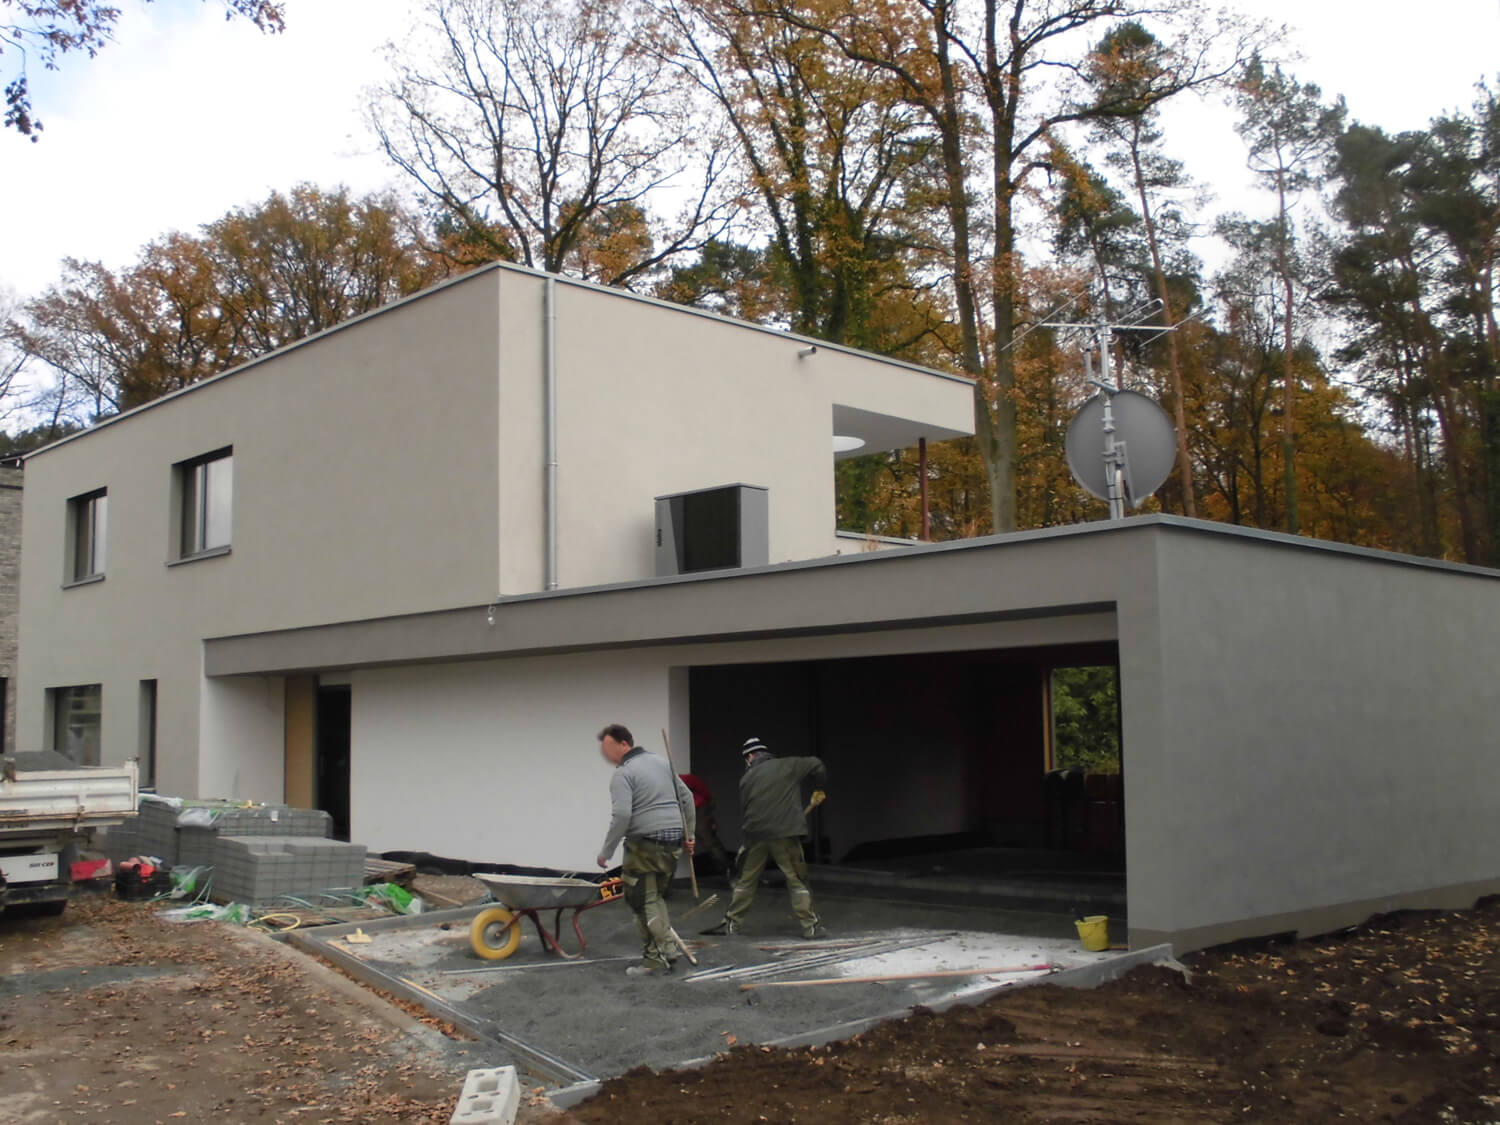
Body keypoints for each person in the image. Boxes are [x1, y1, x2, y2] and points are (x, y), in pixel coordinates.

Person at [596, 723, 697, 976]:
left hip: (644, 844)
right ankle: (662, 953)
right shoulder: (661, 763)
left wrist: (606, 852)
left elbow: (622, 815)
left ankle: (659, 957)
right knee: (655, 897)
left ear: (624, 744)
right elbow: (686, 798)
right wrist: (690, 835)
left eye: (609, 749)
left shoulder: (623, 773)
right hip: (672, 843)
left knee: (640, 899)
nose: (607, 756)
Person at [705, 736, 827, 939]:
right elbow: (817, 764)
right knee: (797, 879)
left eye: (746, 758)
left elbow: (747, 809)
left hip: (755, 835)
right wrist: (819, 788)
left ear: (751, 756)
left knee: (746, 881)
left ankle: (732, 923)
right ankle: (810, 927)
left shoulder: (746, 779)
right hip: (785, 833)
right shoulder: (789, 765)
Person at [680, 772, 734, 876]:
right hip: (684, 811)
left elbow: (707, 795)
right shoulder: (667, 786)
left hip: (699, 809)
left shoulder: (687, 779)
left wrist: (708, 816)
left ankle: (729, 871)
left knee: (708, 841)